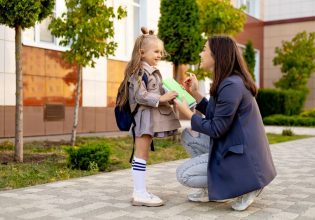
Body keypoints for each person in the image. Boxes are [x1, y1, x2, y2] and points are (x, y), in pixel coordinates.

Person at [174, 35, 277, 211]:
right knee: (188, 136)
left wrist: (187, 114)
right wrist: (196, 94)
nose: (200, 53)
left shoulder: (232, 85)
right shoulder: (227, 81)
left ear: (216, 55)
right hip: (231, 145)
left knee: (183, 175)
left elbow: (216, 128)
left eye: (204, 49)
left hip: (242, 157)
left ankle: (250, 184)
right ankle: (213, 191)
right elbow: (217, 115)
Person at [116, 27, 181, 207]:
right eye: (156, 51)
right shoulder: (138, 72)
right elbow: (139, 96)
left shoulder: (152, 72)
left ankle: (141, 190)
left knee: (143, 153)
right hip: (143, 118)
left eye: (161, 52)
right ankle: (139, 193)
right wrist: (161, 98)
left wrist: (173, 94)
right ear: (142, 52)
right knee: (141, 153)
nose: (160, 55)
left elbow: (157, 92)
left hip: (149, 117)